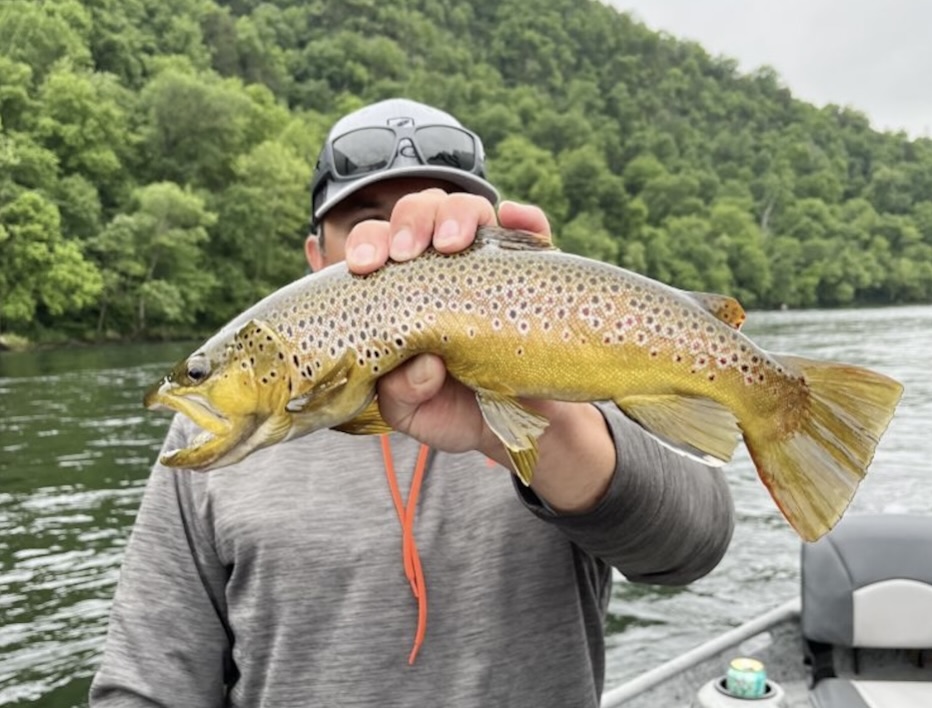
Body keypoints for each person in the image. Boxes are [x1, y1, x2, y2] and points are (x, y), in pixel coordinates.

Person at [90, 98, 735, 707]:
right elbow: (146, 682)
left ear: (493, 236)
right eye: (368, 221)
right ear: (317, 258)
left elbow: (692, 547)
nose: (404, 240)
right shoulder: (207, 438)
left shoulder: (573, 378)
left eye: (437, 217)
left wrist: (552, 427)